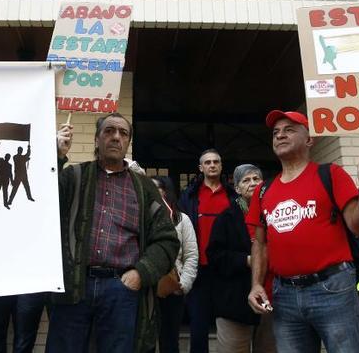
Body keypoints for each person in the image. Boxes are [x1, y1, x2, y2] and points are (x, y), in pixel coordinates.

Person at [247, 110, 359, 353]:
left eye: (289, 130)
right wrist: (256, 284)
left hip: (333, 288)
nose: (280, 136)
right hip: (283, 294)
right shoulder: (263, 190)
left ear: (310, 139)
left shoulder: (330, 174)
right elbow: (260, 244)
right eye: (276, 132)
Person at [47, 113, 179, 353]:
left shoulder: (144, 187)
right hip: (75, 287)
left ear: (128, 142)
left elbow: (167, 240)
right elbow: (40, 202)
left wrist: (141, 272)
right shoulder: (74, 177)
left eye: (123, 133)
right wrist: (56, 156)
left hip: (121, 290)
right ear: (97, 140)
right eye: (109, 131)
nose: (116, 137)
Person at [207, 164, 274, 353]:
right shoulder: (226, 218)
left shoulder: (274, 213)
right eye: (246, 180)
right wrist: (247, 260)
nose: (252, 183)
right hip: (235, 302)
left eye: (256, 179)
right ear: (237, 188)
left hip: (272, 300)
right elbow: (215, 256)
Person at [178, 148, 235, 353]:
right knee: (198, 324)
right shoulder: (190, 196)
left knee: (231, 325)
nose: (212, 165)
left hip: (227, 272)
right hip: (199, 270)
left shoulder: (232, 195)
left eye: (216, 162)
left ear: (221, 166)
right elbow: (180, 231)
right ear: (200, 167)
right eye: (208, 162)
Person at [152, 175, 198, 353]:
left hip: (173, 286)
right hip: (146, 287)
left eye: (157, 188)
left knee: (170, 341)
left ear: (166, 191)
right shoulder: (141, 216)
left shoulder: (182, 219)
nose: (153, 191)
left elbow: (191, 255)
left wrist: (184, 285)